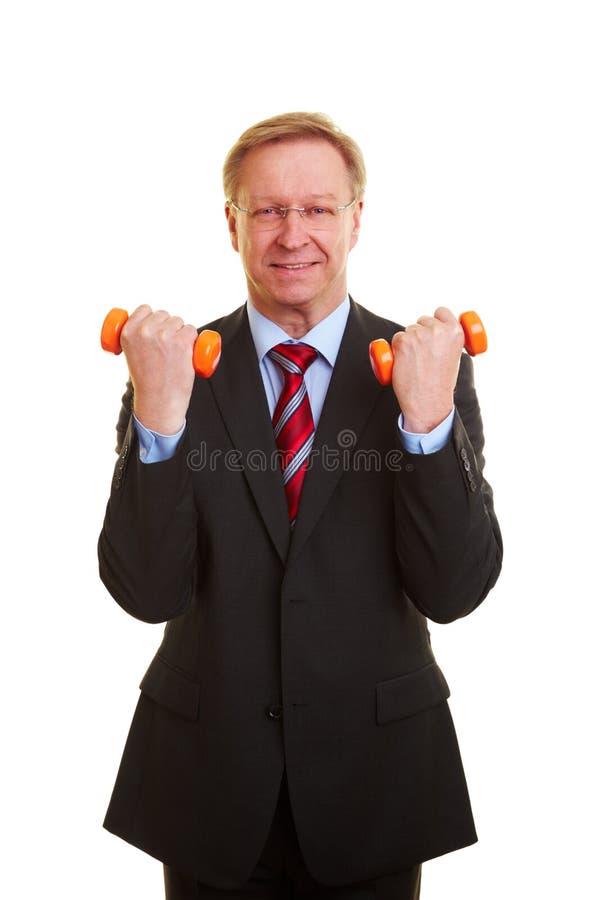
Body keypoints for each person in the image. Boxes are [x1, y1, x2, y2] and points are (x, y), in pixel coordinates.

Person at [98, 112, 502, 900]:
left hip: (374, 782)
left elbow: (454, 591)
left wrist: (425, 422)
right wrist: (158, 418)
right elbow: (146, 592)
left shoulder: (426, 368)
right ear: (233, 224)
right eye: (269, 210)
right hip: (210, 788)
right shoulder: (175, 369)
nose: (293, 235)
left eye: (316, 208)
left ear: (356, 219)